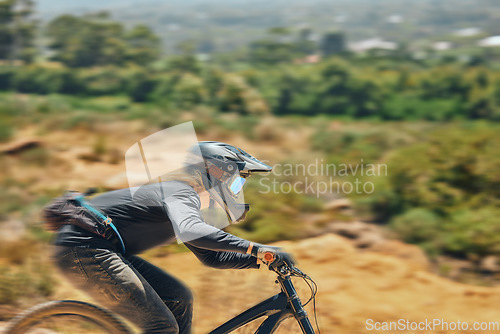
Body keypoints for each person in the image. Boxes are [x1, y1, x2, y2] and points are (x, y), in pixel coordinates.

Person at [53, 141, 295, 334]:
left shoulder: (185, 203)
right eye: (236, 181)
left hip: (98, 249)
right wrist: (255, 247)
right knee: (163, 326)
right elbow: (191, 231)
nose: (238, 188)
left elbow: (213, 257)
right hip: (84, 249)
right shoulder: (179, 192)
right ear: (217, 171)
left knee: (179, 297)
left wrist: (263, 259)